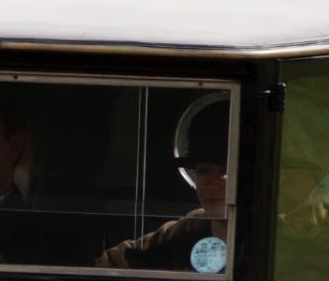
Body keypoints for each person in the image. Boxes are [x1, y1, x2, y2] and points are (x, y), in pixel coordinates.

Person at [96, 92, 232, 271]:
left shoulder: (264, 237)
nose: (211, 183)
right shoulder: (191, 227)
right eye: (202, 171)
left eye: (225, 172)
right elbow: (114, 261)